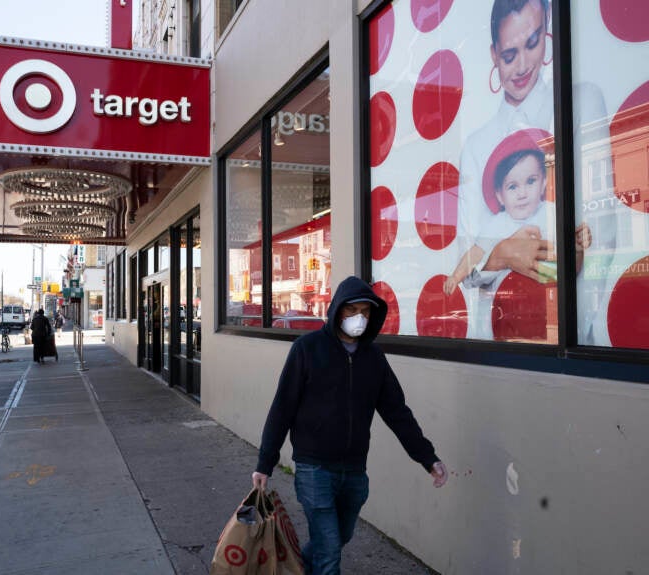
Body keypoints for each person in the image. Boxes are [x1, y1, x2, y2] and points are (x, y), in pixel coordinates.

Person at [252, 275, 448, 575]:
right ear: (337, 311)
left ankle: (297, 567)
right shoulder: (307, 349)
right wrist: (265, 462)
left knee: (335, 539)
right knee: (329, 550)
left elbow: (397, 412)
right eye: (351, 310)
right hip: (314, 468)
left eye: (366, 312)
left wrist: (427, 457)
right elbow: (282, 408)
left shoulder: (374, 359)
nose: (359, 318)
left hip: (354, 470)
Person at [457, 0, 615, 342]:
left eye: (532, 44)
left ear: (547, 34)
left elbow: (602, 230)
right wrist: (500, 255)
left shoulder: (582, 103)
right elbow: (465, 264)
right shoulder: (475, 146)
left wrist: (574, 328)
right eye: (509, 55)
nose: (523, 65)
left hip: (568, 336)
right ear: (493, 55)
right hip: (495, 340)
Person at [446, 148, 592, 296]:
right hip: (507, 302)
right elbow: (475, 253)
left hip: (548, 297)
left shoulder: (552, 212)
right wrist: (456, 276)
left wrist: (577, 250)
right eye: (512, 186)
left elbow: (568, 271)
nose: (522, 194)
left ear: (543, 183)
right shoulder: (496, 224)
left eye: (530, 181)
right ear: (500, 196)